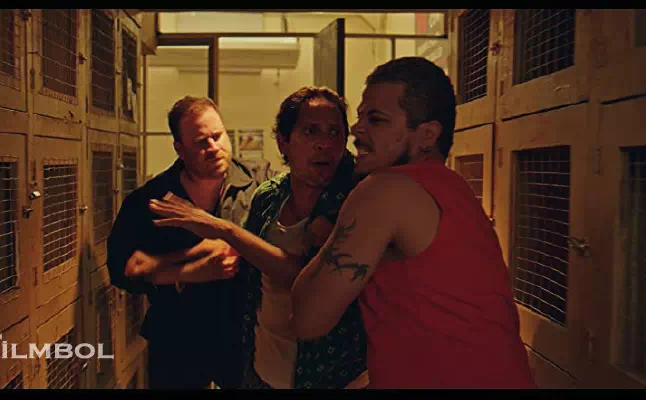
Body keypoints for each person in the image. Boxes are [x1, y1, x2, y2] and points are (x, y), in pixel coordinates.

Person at [289, 58, 537, 389]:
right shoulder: (452, 186)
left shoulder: (384, 189)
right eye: (360, 116)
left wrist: (330, 235)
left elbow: (307, 319)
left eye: (376, 119)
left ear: (427, 135)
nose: (356, 129)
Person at [148, 86, 369, 389]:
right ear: (283, 141)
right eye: (310, 131)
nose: (325, 144)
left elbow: (309, 277)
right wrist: (174, 268)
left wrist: (224, 229)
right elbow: (248, 269)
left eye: (334, 132)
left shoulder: (356, 199)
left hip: (332, 377)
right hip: (262, 371)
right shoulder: (269, 196)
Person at [106, 96, 274, 389]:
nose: (213, 147)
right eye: (200, 142)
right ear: (180, 149)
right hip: (177, 337)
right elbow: (121, 270)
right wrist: (186, 273)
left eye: (217, 136)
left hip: (246, 336)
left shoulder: (260, 183)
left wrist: (161, 267)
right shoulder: (152, 200)